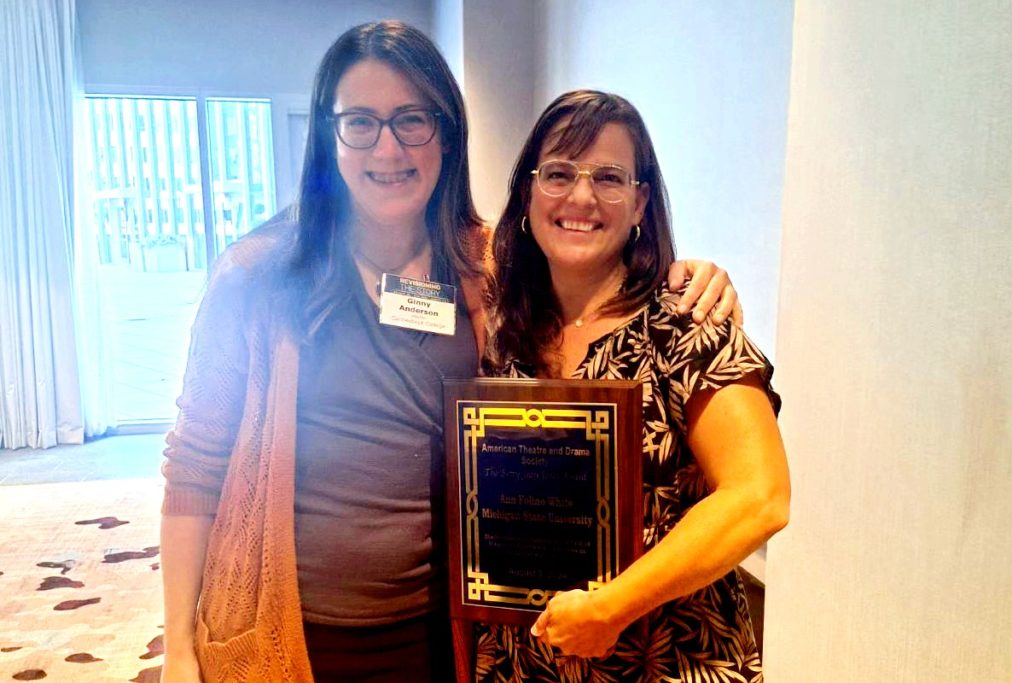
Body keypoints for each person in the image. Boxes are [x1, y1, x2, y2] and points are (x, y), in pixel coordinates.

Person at [159, 22, 742, 683]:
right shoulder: (258, 275)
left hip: (444, 628)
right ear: (329, 135)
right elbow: (194, 465)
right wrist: (179, 647)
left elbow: (590, 282)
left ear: (447, 133)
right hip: (293, 623)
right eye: (361, 122)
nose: (388, 146)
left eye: (413, 120)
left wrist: (689, 277)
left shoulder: (490, 267)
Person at [475, 90, 790, 682]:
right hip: (527, 663)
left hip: (668, 661)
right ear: (526, 193)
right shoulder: (504, 336)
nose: (582, 196)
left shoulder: (686, 322)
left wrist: (611, 608)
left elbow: (760, 496)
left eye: (609, 177)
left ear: (640, 202)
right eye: (559, 173)